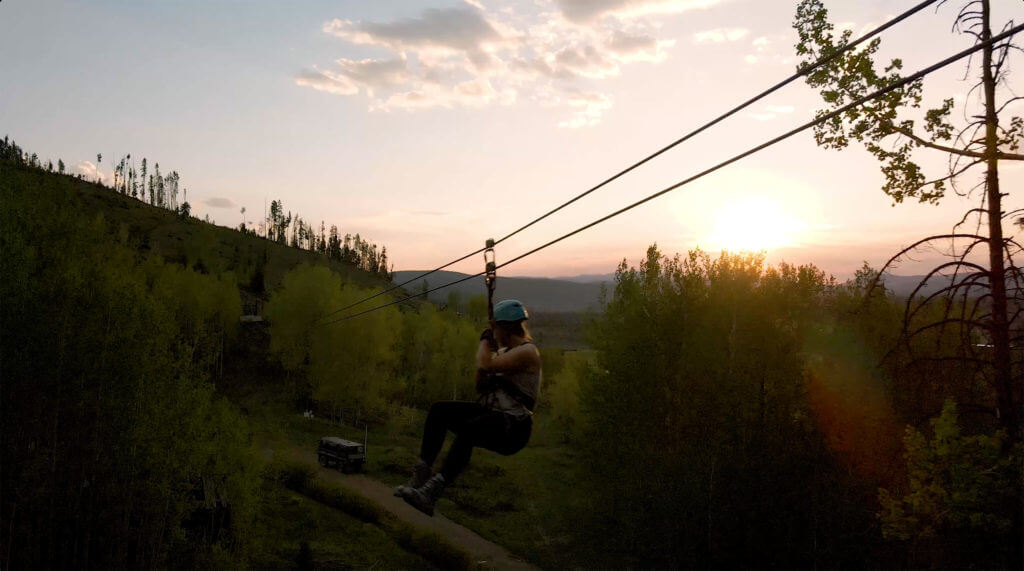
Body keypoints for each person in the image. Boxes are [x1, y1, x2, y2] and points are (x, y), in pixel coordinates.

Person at [396, 299, 542, 516]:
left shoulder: (528, 352)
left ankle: (431, 493)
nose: (492, 333)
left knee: (469, 430)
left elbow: (485, 364)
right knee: (439, 411)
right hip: (497, 417)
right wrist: (489, 356)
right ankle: (420, 477)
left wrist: (484, 342)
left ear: (503, 328)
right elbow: (480, 382)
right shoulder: (506, 352)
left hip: (514, 428)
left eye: (494, 328)